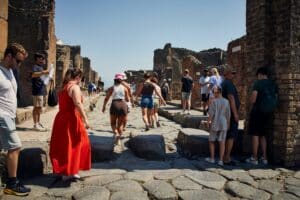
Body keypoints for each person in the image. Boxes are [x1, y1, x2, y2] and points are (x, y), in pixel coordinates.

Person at [0, 43, 31, 196]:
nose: (19, 65)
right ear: (9, 56)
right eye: (18, 61)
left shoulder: (11, 72)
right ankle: (12, 184)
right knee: (15, 146)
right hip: (2, 115)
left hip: (9, 115)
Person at [50, 68, 91, 181]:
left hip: (61, 118)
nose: (81, 81)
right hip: (71, 118)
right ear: (78, 77)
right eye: (81, 78)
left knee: (65, 144)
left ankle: (68, 170)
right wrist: (86, 119)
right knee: (79, 143)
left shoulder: (64, 86)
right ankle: (70, 171)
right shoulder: (75, 87)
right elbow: (77, 103)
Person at [246, 66, 278, 165]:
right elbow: (276, 97)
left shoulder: (258, 83)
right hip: (268, 113)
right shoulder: (273, 84)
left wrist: (250, 101)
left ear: (260, 74)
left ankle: (254, 158)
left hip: (257, 111)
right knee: (263, 135)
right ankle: (264, 158)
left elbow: (254, 99)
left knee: (255, 134)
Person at [205, 86, 231, 166]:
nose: (213, 94)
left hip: (215, 122)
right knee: (222, 141)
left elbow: (211, 114)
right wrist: (228, 124)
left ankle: (212, 158)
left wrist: (207, 122)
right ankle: (220, 160)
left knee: (212, 140)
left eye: (214, 92)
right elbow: (228, 114)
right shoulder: (226, 101)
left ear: (217, 92)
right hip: (223, 123)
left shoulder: (214, 101)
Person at [102, 74, 130, 145]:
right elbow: (127, 99)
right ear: (121, 81)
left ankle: (116, 133)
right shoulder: (125, 88)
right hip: (123, 105)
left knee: (113, 123)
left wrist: (104, 106)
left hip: (115, 104)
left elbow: (106, 98)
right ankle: (118, 140)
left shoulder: (112, 88)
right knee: (120, 125)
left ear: (114, 80)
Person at [221, 65, 240, 165]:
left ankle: (223, 156)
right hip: (230, 114)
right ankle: (226, 158)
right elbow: (231, 98)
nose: (234, 75)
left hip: (226, 113)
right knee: (231, 135)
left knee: (227, 135)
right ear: (227, 74)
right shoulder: (228, 83)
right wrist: (235, 114)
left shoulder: (225, 83)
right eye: (233, 73)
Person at [31, 52, 49, 131]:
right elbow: (33, 74)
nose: (43, 59)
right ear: (37, 59)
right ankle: (35, 124)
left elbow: (41, 78)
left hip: (41, 90)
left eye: (43, 58)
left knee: (39, 108)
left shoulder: (41, 67)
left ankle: (38, 123)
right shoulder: (35, 66)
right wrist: (43, 72)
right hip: (37, 90)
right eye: (41, 58)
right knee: (36, 108)